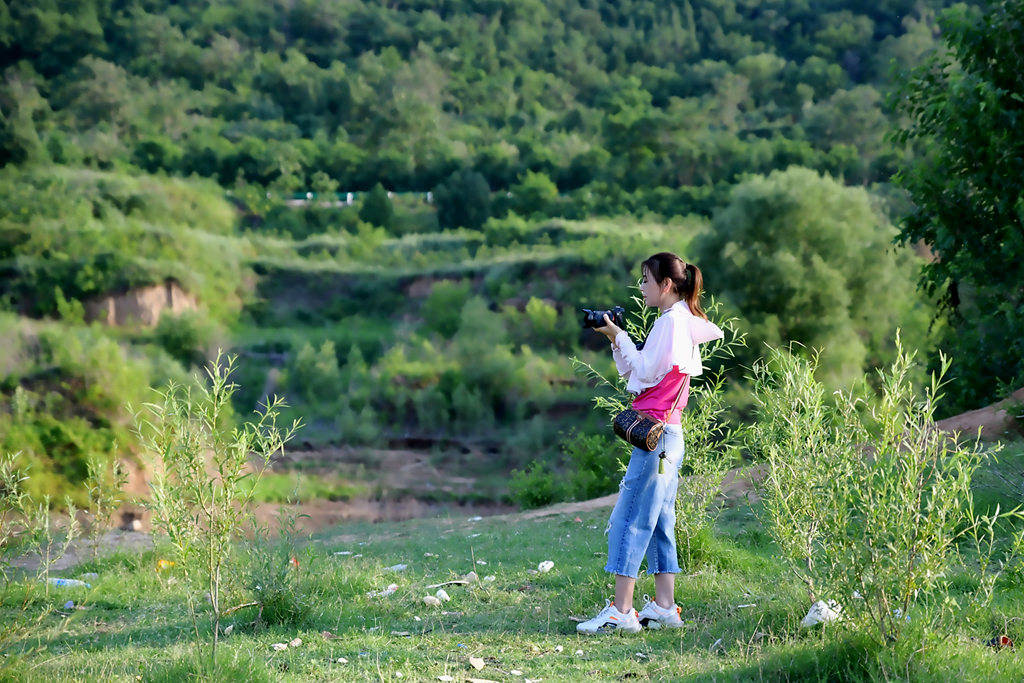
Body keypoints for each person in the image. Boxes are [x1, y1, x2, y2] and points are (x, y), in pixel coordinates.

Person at [576, 252, 723, 634]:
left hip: (655, 437)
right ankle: (664, 607)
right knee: (659, 520)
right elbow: (638, 374)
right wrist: (616, 339)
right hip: (670, 436)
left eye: (645, 280)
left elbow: (639, 372)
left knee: (630, 516)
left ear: (666, 285)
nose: (641, 288)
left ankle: (621, 611)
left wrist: (618, 335)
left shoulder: (670, 324)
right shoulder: (683, 323)